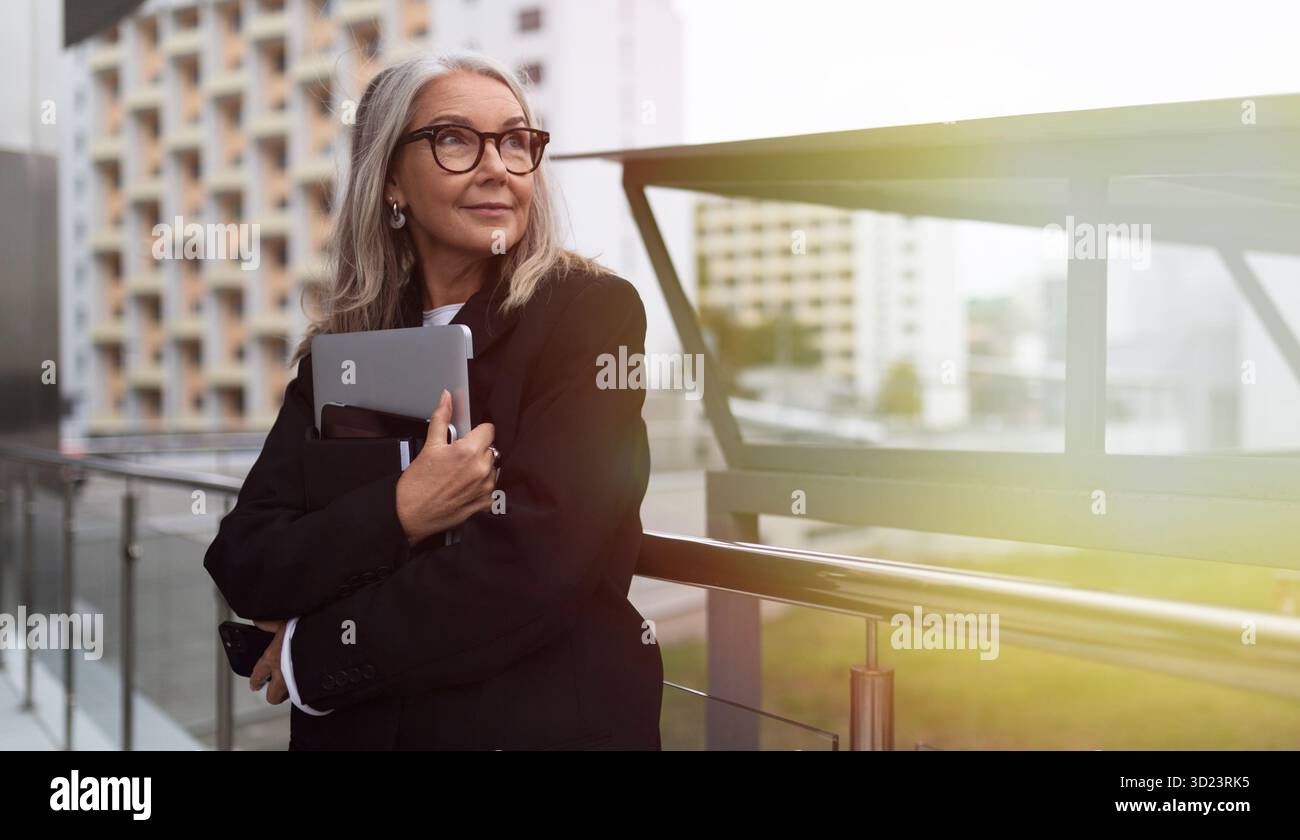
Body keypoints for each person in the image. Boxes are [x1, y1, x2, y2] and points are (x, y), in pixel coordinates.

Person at [202, 50, 662, 750]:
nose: (497, 167)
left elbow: (535, 566)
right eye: (454, 139)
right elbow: (245, 560)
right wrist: (400, 512)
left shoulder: (590, 317)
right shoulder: (345, 348)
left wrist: (313, 656)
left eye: (515, 141)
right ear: (390, 180)